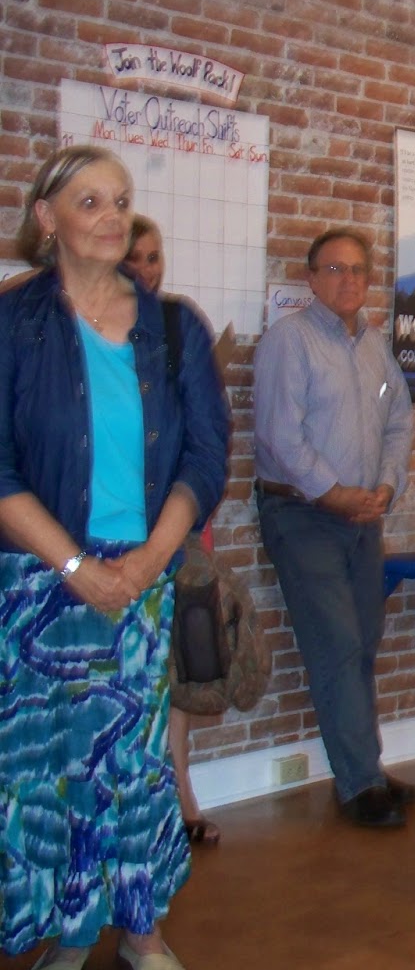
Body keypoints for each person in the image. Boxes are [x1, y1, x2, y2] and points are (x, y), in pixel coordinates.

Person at [1, 145, 230, 970]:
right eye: (88, 200)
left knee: (133, 767)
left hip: (140, 580)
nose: (111, 216)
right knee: (51, 768)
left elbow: (206, 458)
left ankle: (140, 926)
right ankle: (65, 934)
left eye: (122, 202)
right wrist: (71, 563)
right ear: (46, 217)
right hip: (38, 587)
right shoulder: (11, 325)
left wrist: (145, 562)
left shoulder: (176, 329)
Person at [253, 228, 415, 829]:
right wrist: (334, 493)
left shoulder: (376, 347)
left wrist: (386, 486)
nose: (347, 280)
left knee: (364, 642)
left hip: (362, 519)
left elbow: (399, 422)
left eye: (357, 270)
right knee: (339, 645)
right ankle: (359, 783)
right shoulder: (287, 342)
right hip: (302, 516)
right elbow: (279, 436)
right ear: (311, 278)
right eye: (333, 269)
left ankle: (364, 767)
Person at [122, 214, 221, 847]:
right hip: (103, 535)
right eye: (134, 258)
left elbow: (206, 438)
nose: (145, 270)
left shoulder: (180, 329)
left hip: (179, 525)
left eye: (154, 257)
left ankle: (181, 795)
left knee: (178, 672)